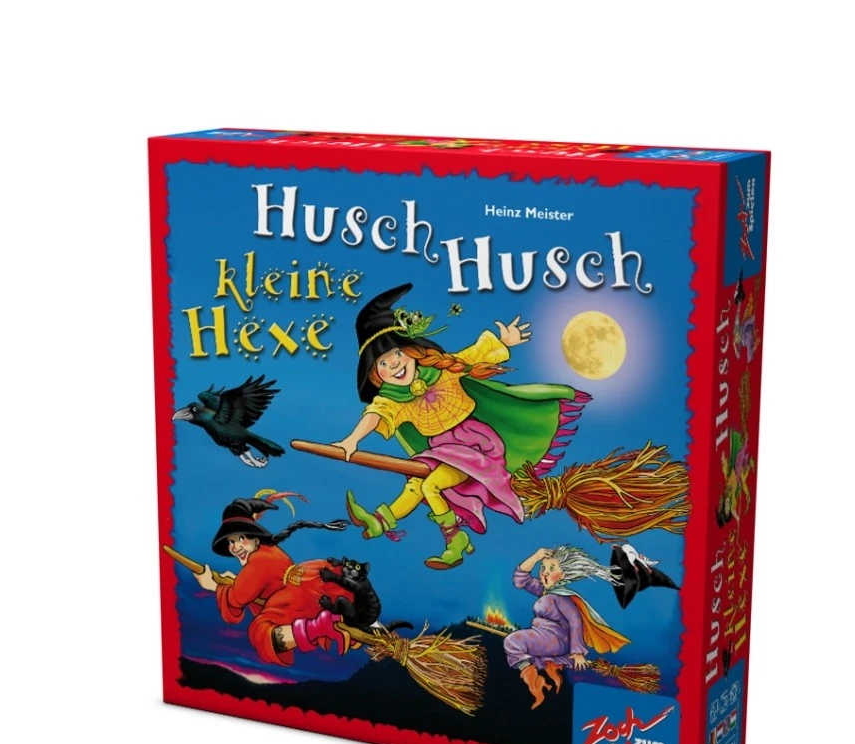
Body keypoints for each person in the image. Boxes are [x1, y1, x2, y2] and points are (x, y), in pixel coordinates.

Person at [336, 283, 589, 569]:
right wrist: (352, 440)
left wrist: (504, 341)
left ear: (411, 351)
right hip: (440, 451)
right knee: (416, 485)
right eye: (382, 363)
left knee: (431, 485)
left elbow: (475, 354)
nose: (393, 365)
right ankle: (379, 522)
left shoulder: (444, 370)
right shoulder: (394, 399)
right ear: (375, 375)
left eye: (396, 354)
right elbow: (376, 414)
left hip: (474, 446)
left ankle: (455, 540)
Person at [194, 495, 351, 665]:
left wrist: (213, 586)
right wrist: (235, 581)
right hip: (299, 586)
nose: (235, 547)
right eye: (231, 541)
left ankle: (316, 628)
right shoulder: (268, 551)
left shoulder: (258, 561)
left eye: (241, 538)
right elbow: (253, 586)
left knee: (260, 631)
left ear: (255, 538)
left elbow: (236, 598)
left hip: (293, 598)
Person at [504, 544, 637, 708]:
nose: (545, 572)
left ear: (562, 575)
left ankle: (534, 681)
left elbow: (575, 621)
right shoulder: (545, 591)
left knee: (512, 641)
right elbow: (520, 580)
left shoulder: (562, 598)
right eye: (543, 567)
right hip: (543, 635)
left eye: (551, 569)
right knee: (518, 644)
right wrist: (536, 557)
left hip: (555, 639)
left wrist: (577, 652)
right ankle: (537, 681)